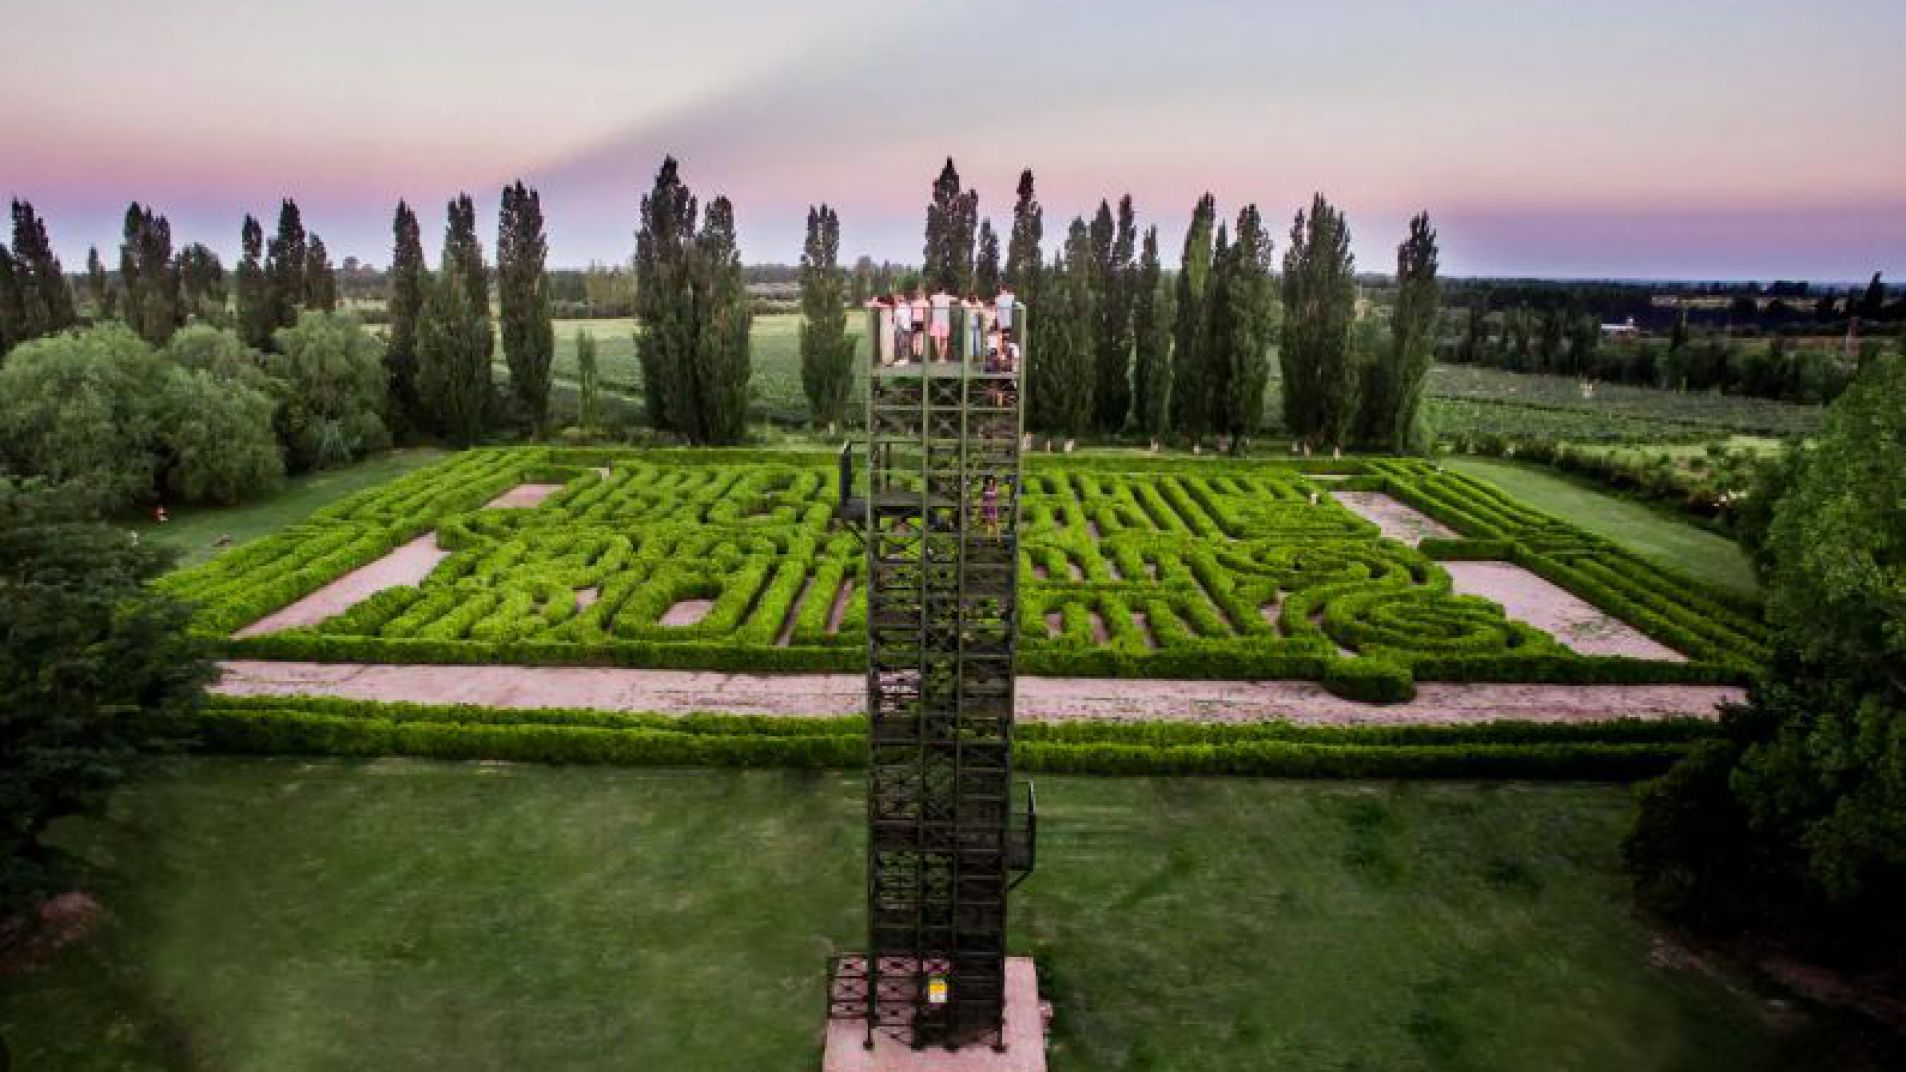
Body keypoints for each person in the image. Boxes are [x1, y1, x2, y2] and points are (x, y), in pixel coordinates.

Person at [869, 296, 897, 366]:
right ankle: (888, 360)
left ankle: (887, 360)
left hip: (886, 327)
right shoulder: (888, 306)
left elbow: (872, 304)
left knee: (887, 343)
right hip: (888, 327)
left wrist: (875, 300)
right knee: (887, 343)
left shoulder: (886, 306)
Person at [929, 290, 953, 361]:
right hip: (943, 321)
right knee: (943, 339)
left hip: (937, 320)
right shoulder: (947, 297)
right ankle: (942, 357)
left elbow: (930, 298)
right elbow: (956, 299)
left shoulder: (934, 297)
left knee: (938, 339)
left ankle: (940, 357)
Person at [890, 291, 913, 365]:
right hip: (907, 326)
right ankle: (904, 359)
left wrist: (895, 329)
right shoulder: (908, 307)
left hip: (902, 327)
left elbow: (897, 320)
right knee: (905, 343)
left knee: (902, 344)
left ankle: (904, 359)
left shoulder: (898, 309)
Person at [909, 289, 929, 361]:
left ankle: (914, 353)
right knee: (920, 338)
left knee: (915, 338)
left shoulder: (913, 303)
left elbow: (911, 313)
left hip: (914, 321)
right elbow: (927, 312)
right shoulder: (925, 303)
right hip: (921, 321)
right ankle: (919, 354)